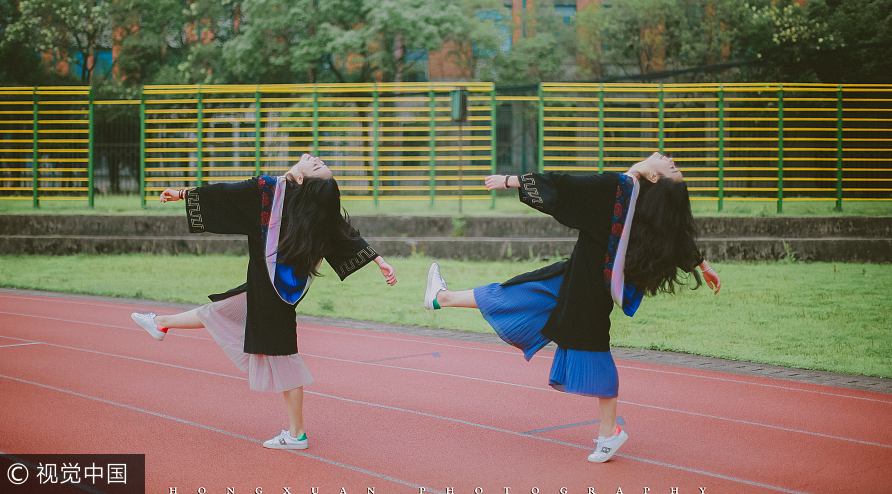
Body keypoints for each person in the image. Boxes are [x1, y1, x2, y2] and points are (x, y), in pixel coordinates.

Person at [423, 152, 720, 463]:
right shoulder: (637, 198)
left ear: (655, 178)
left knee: (593, 351)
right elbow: (675, 235)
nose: (668, 157)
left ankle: (610, 434)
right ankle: (441, 298)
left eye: (671, 166)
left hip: (587, 287)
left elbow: (564, 186)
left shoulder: (618, 187)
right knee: (519, 292)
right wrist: (702, 263)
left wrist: (511, 181)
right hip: (577, 274)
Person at [131, 153, 397, 450]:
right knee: (222, 311)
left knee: (285, 359)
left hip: (272, 291)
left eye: (316, 165)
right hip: (276, 285)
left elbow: (225, 194)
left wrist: (182, 194)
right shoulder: (306, 205)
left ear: (299, 179)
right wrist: (379, 260)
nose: (313, 157)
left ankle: (297, 435)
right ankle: (160, 323)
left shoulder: (266, 191)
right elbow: (344, 233)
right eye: (318, 162)